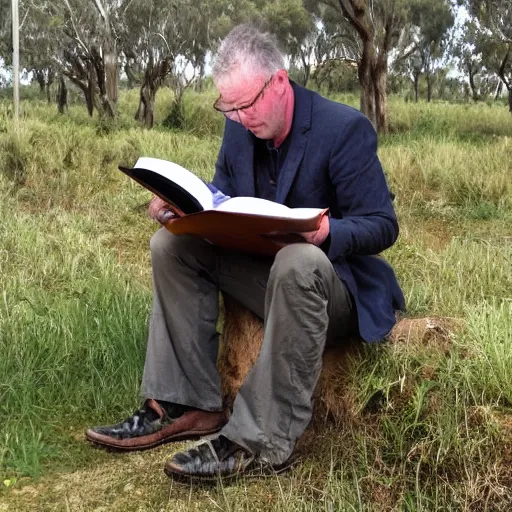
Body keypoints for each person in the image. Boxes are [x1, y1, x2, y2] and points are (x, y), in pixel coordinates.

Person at [86, 24, 405, 482]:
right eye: (227, 107)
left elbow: (382, 224)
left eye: (245, 105)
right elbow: (227, 199)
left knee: (299, 260)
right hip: (265, 275)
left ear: (279, 81)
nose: (237, 118)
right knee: (172, 244)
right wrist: (187, 209)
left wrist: (328, 232)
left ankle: (259, 439)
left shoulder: (343, 129)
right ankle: (186, 402)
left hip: (333, 292)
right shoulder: (240, 128)